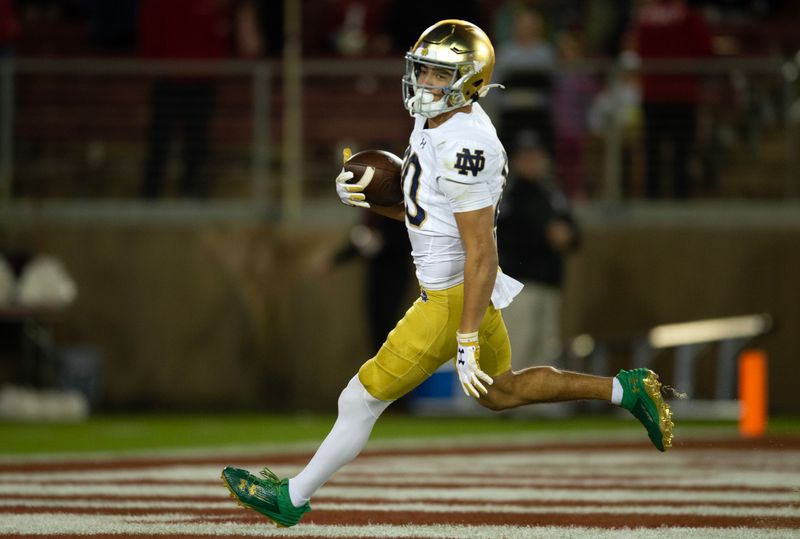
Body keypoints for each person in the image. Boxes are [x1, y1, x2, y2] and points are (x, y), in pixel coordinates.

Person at [221, 19, 674, 528]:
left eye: (438, 73)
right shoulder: (435, 122)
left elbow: (482, 254)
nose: (425, 82)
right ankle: (625, 390)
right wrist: (375, 201)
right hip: (461, 291)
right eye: (424, 70)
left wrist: (464, 339)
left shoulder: (468, 145)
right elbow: (426, 214)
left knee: (361, 399)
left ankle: (293, 497)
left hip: (452, 297)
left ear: (470, 80)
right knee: (503, 391)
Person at [497, 131, 580, 374]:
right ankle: (504, 407)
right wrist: (547, 232)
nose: (530, 161)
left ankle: (540, 408)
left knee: (545, 352)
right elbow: (510, 234)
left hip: (549, 283)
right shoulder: (508, 193)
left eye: (535, 155)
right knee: (518, 349)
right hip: (519, 285)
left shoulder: (552, 194)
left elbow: (575, 234)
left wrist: (564, 234)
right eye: (525, 156)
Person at [630, 0, 713, 199]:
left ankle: (652, 198)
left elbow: (640, 50)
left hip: (653, 95)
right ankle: (681, 199)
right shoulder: (690, 16)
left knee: (653, 153)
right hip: (682, 95)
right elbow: (705, 50)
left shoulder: (645, 17)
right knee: (682, 153)